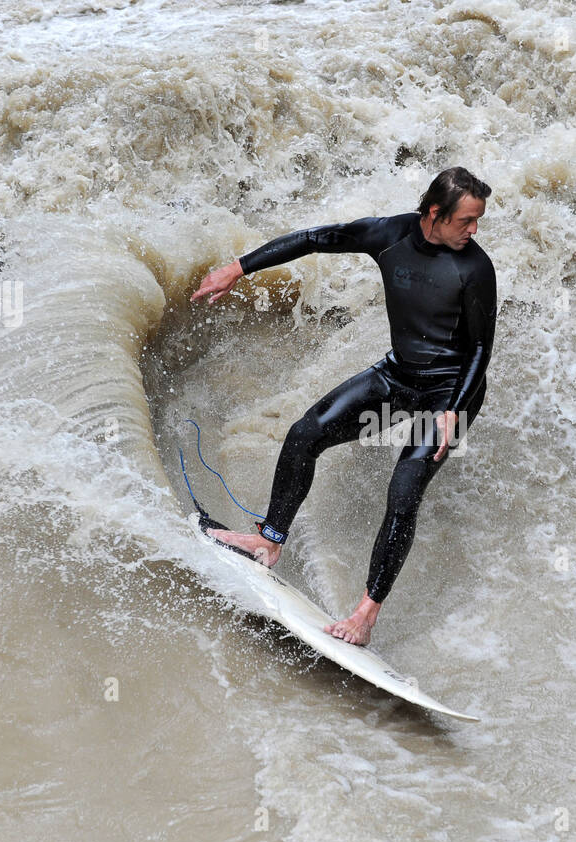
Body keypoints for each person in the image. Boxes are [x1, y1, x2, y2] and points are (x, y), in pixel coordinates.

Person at [190, 167, 497, 646]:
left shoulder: (475, 268)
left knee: (403, 491)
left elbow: (481, 348)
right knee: (304, 433)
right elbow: (316, 238)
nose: (475, 230)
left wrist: (454, 410)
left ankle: (365, 615)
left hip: (454, 396)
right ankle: (268, 541)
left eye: (478, 220)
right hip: (400, 376)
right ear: (435, 214)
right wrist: (239, 267)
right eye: (467, 221)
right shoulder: (390, 235)